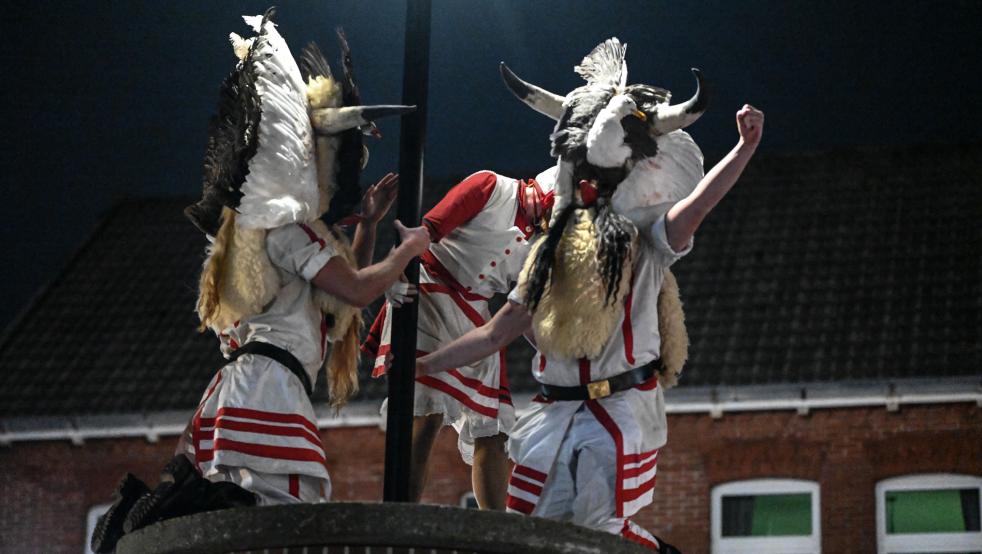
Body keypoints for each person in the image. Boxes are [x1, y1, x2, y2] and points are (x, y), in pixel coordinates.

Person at [91, 13, 425, 552]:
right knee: (276, 521)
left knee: (249, 522)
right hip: (266, 387)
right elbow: (360, 291)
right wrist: (409, 248)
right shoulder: (289, 230)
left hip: (253, 382)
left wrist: (367, 226)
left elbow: (340, 310)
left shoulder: (275, 234)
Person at [415, 104, 765, 551]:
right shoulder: (546, 259)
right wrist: (423, 364)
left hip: (618, 407)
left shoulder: (647, 243)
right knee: (536, 534)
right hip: (555, 411)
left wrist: (743, 149)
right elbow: (494, 334)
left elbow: (697, 207)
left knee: (599, 528)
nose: (587, 192)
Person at [363, 168, 555, 509]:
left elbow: (523, 311)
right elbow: (425, 231)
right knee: (426, 413)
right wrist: (394, 270)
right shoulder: (491, 186)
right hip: (430, 291)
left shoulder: (542, 243)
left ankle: (494, 535)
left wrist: (561, 357)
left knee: (493, 429)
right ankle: (398, 519)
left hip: (476, 312)